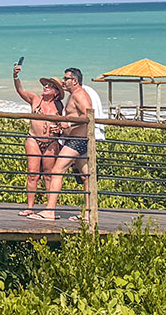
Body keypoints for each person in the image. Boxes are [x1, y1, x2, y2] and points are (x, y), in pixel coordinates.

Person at [35, 67, 104, 219]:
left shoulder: (80, 95)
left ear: (75, 81)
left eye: (66, 79)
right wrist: (62, 126)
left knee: (56, 171)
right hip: (79, 140)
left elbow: (88, 116)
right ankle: (88, 214)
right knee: (86, 176)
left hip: (77, 141)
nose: (63, 81)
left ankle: (50, 211)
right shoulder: (74, 95)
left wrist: (69, 125)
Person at [11, 62, 66, 216]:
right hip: (34, 140)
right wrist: (16, 76)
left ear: (56, 92)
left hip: (51, 142)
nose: (46, 86)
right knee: (33, 174)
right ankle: (29, 207)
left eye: (50, 85)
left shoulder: (60, 107)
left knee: (49, 175)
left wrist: (60, 128)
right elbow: (20, 90)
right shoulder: (36, 99)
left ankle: (50, 209)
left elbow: (67, 123)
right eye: (46, 84)